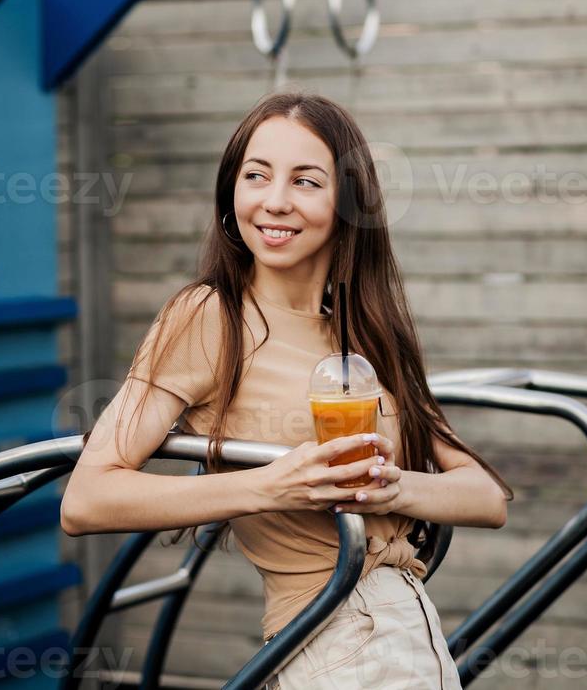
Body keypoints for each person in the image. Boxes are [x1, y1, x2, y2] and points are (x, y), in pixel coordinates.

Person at [61, 90, 513, 689]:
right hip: (334, 637)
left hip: (407, 629)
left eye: (305, 181)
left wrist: (390, 488)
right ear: (232, 192)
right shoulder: (208, 317)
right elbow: (87, 499)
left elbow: (487, 497)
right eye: (257, 176)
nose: (275, 202)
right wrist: (274, 483)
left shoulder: (366, 333)